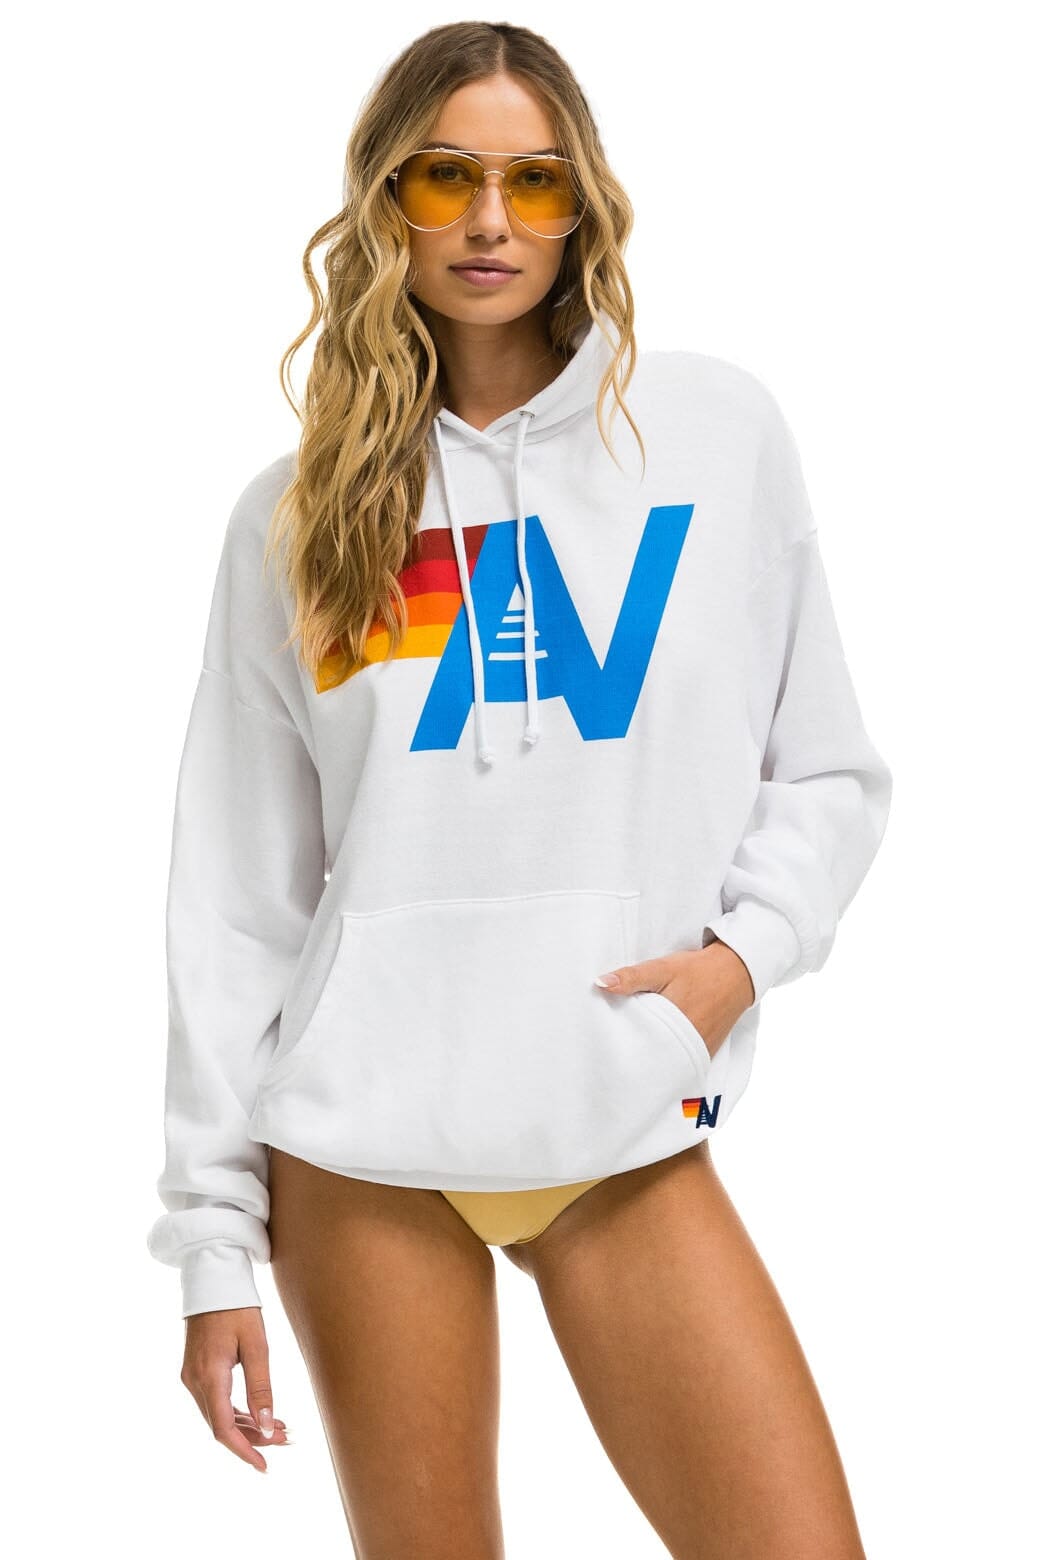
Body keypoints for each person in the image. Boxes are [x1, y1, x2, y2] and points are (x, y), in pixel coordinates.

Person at [146, 20, 892, 1560]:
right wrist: (215, 1245)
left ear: (581, 204)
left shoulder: (711, 436)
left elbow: (825, 767)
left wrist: (737, 963)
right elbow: (236, 901)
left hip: (617, 1120)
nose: (490, 220)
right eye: (447, 177)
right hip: (360, 1156)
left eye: (533, 181)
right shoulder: (295, 517)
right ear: (389, 201)